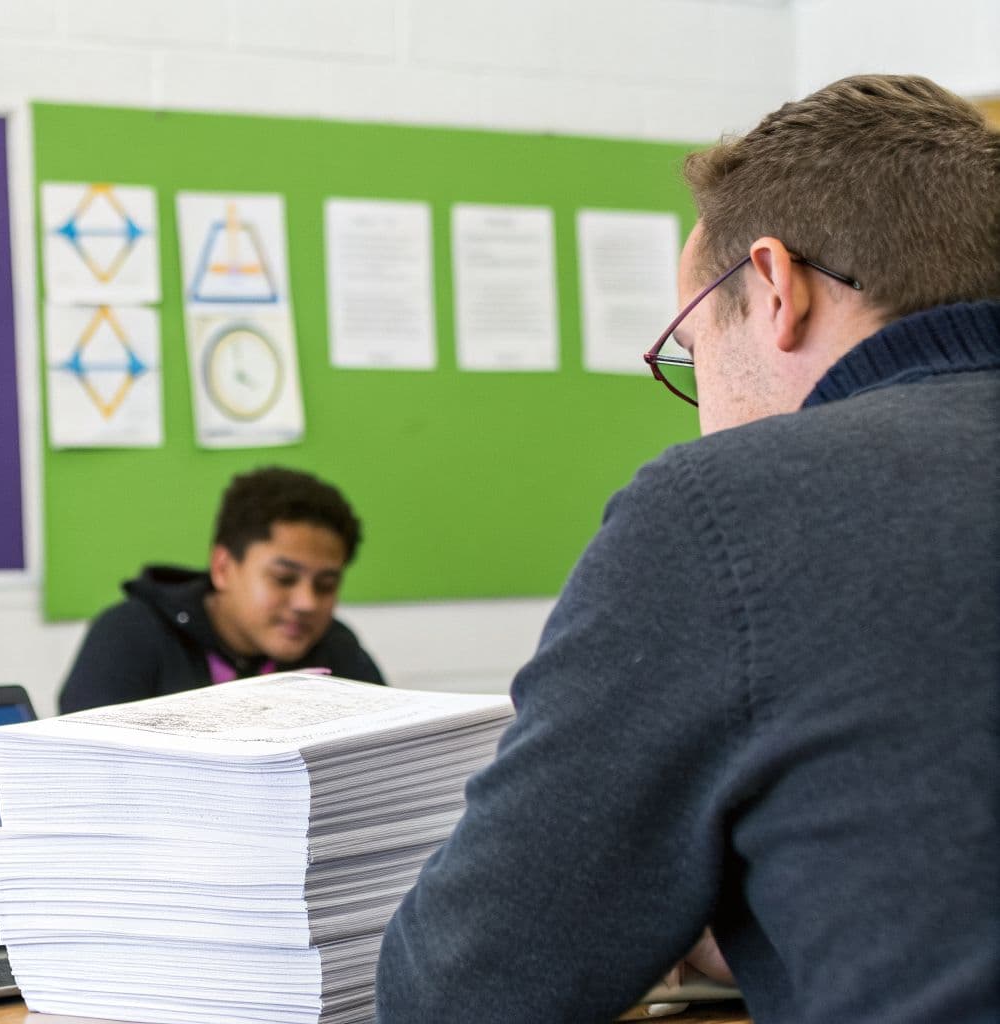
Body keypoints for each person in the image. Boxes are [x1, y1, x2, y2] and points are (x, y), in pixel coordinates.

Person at [377, 75, 999, 1023]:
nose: (702, 403)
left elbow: (466, 988)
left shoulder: (729, 506)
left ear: (775, 285)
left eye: (691, 349)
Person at [58, 466, 383, 713]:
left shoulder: (337, 648)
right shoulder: (129, 635)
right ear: (223, 567)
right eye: (284, 578)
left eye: (326, 585)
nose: (307, 602)